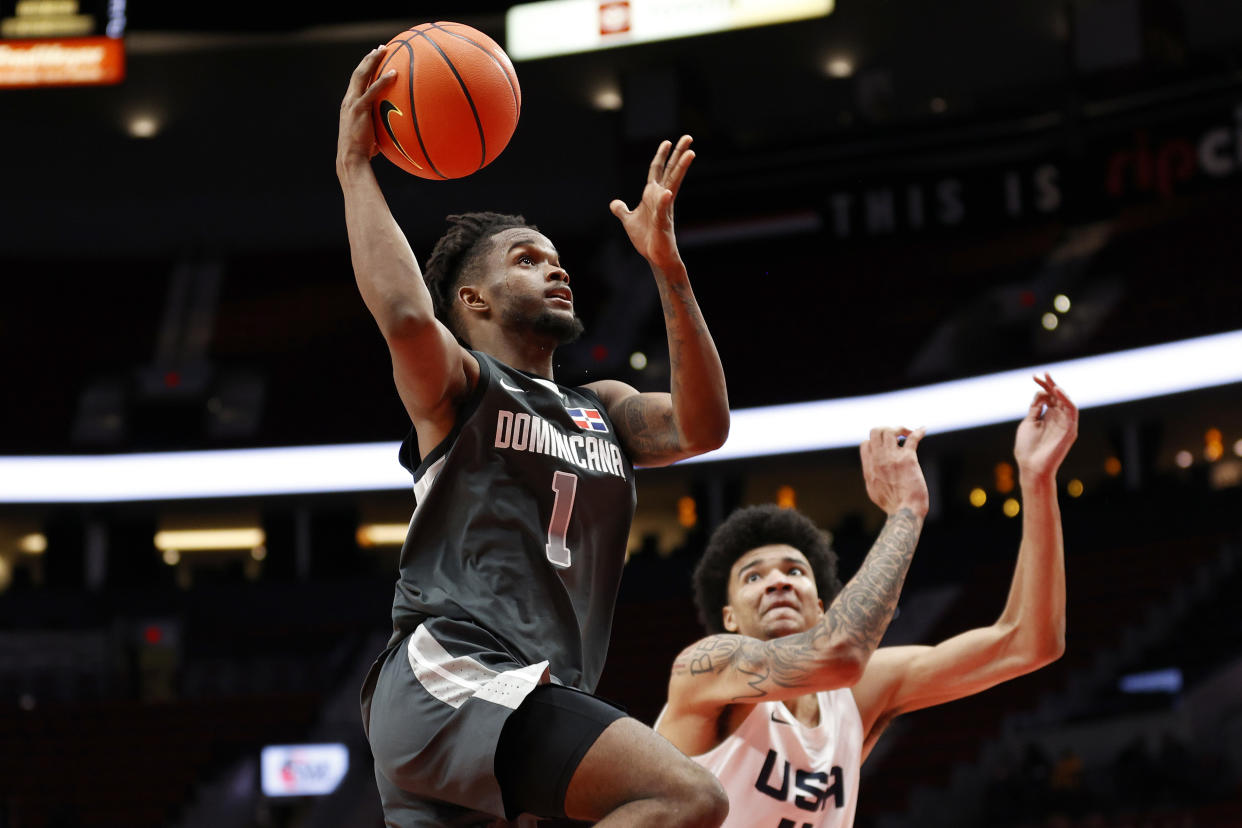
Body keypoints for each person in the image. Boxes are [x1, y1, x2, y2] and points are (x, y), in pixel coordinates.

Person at [337, 47, 732, 826]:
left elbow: (702, 426)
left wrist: (669, 269)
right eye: (527, 260)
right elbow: (410, 318)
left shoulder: (604, 408)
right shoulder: (461, 389)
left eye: (556, 260)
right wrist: (355, 166)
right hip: (455, 674)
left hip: (519, 699)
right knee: (684, 796)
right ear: (473, 299)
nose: (556, 271)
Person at [656, 375, 1078, 827]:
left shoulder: (854, 698)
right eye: (753, 577)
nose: (777, 582)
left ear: (821, 608)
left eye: (795, 571)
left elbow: (1029, 642)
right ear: (729, 618)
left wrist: (1037, 480)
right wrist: (905, 512)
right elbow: (838, 654)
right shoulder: (706, 670)